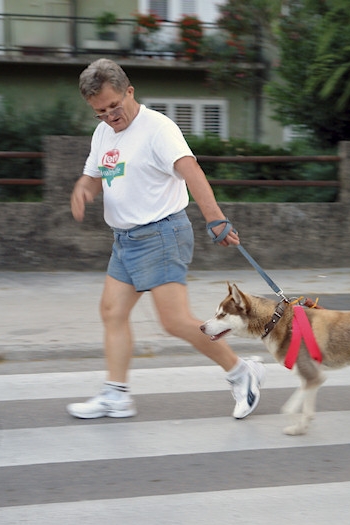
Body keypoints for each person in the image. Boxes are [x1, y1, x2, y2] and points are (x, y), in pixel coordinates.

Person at [67, 58, 265, 419]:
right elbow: (98, 174)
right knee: (112, 312)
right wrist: (84, 187)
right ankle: (116, 395)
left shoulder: (158, 128)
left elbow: (191, 171)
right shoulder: (103, 134)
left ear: (129, 91)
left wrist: (215, 218)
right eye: (100, 112)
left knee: (174, 321)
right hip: (126, 239)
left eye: (115, 106)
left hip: (160, 234)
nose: (110, 115)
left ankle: (242, 373)